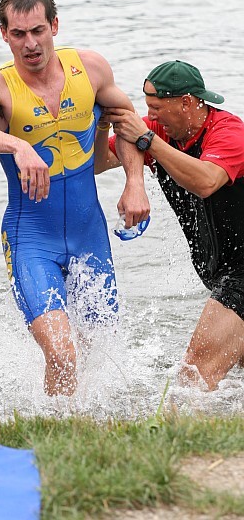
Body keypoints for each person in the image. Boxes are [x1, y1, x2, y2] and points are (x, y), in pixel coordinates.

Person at [0, 0, 150, 396]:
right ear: (4, 35)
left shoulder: (90, 68)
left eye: (38, 31)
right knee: (62, 354)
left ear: (55, 26)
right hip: (32, 241)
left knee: (103, 352)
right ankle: (54, 437)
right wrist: (17, 145)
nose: (30, 44)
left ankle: (93, 434)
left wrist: (134, 182)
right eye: (19, 34)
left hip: (89, 235)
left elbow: (128, 121)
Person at [95, 60, 244, 391]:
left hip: (241, 274)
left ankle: (182, 438)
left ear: (187, 102)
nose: (153, 116)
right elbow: (99, 162)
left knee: (194, 375)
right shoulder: (160, 132)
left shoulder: (229, 133)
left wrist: (148, 140)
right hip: (220, 272)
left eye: (157, 107)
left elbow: (206, 181)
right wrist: (106, 128)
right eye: (148, 108)